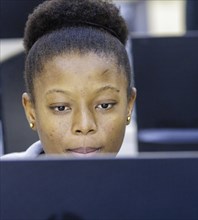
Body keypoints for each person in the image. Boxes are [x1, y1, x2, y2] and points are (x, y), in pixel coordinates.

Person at [1, 0, 136, 159]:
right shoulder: (6, 179)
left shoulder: (153, 182)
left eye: (104, 105)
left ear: (129, 105)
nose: (84, 126)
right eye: (60, 107)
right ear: (31, 111)